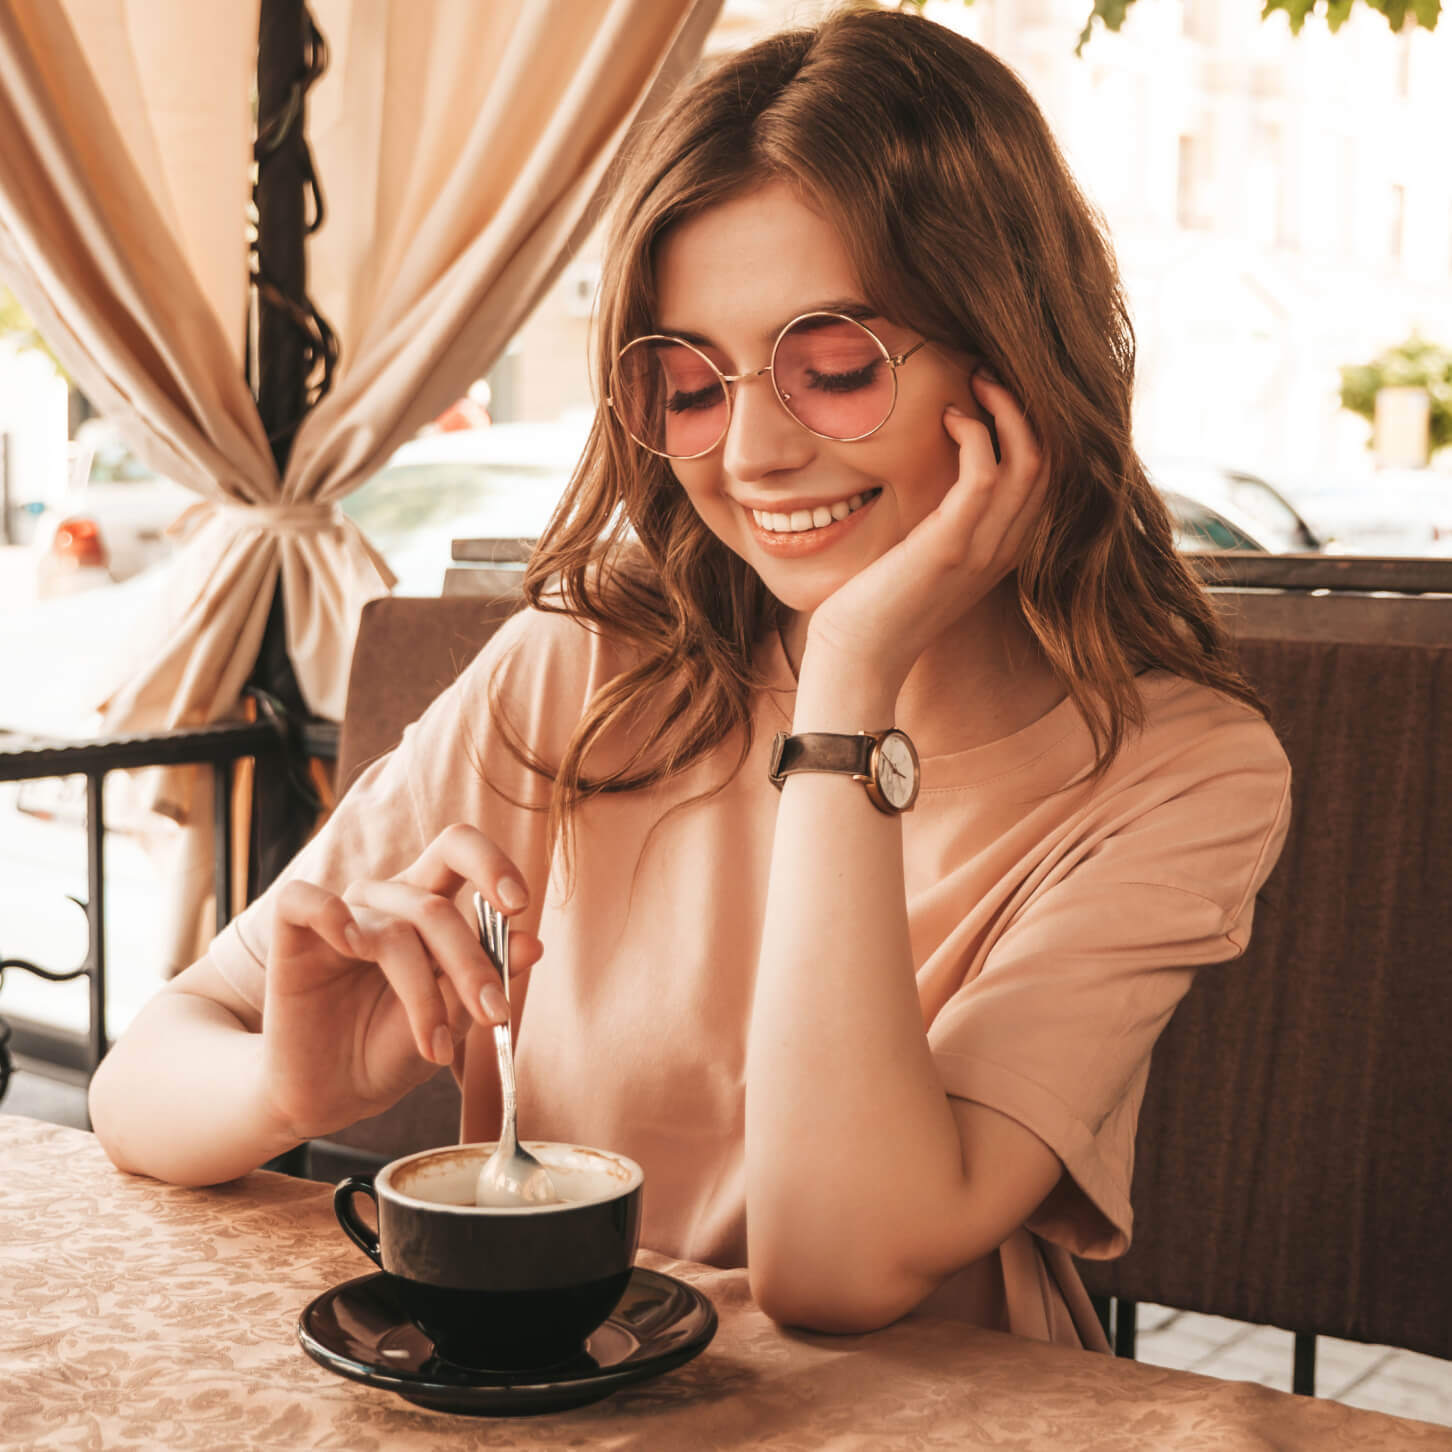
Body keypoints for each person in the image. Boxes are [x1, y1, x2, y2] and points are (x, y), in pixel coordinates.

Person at [89, 7, 1291, 1349]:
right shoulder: (588, 665)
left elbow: (836, 1268)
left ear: (1012, 356)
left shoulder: (1182, 770)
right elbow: (138, 1080)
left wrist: (847, 686)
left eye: (833, 366)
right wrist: (283, 1083)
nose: (754, 453)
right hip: (553, 1400)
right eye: (691, 385)